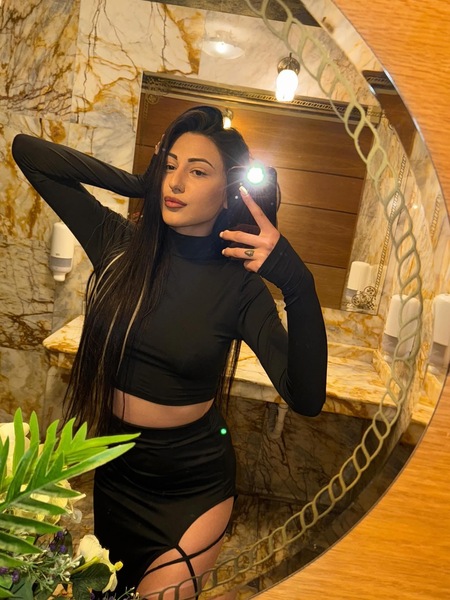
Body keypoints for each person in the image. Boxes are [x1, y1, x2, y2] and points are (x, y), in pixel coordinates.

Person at [12, 106, 327, 599]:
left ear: (228, 192)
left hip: (191, 488)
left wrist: (297, 283)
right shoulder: (121, 246)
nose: (175, 182)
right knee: (108, 593)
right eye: (170, 165)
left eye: (198, 172)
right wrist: (140, 182)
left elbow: (306, 397)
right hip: (117, 471)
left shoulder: (240, 288)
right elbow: (30, 153)